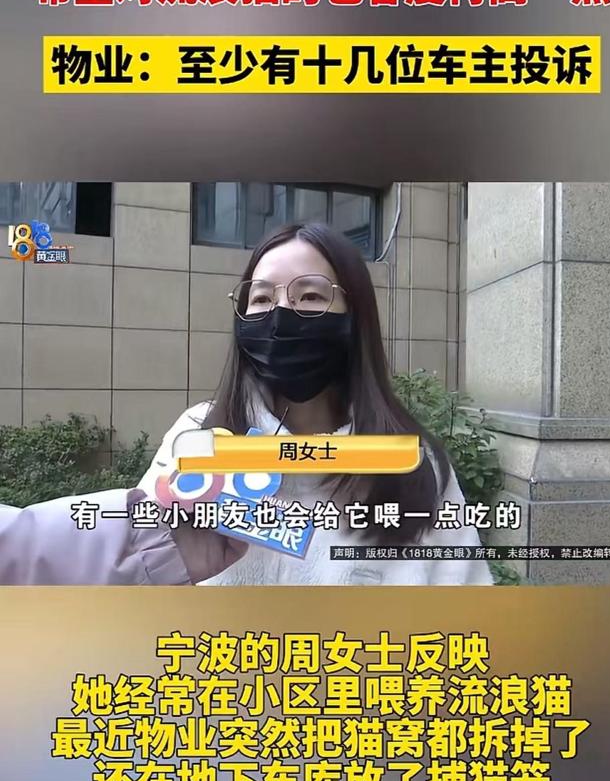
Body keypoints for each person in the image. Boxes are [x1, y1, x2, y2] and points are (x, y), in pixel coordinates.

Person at [0, 222, 493, 586]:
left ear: (355, 317)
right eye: (260, 299)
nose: (280, 314)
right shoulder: (197, 436)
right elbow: (143, 571)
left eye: (310, 296)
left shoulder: (413, 463)